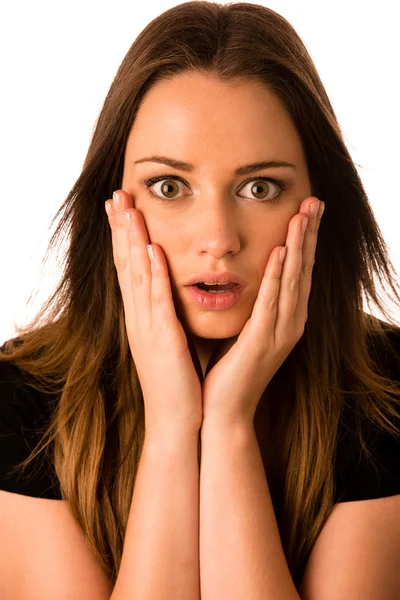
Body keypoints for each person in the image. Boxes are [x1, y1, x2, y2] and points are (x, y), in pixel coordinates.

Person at [1, 2, 399, 598]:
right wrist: (171, 425)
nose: (218, 239)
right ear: (113, 204)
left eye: (259, 188)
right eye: (169, 187)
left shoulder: (388, 391)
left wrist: (229, 424)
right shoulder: (24, 401)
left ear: (319, 200)